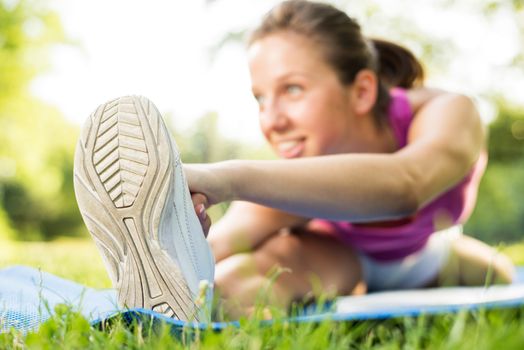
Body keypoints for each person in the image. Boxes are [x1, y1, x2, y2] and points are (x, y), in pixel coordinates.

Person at [74, 0, 515, 322]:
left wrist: (226, 177)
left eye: (293, 90)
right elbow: (229, 241)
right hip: (342, 253)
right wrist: (182, 229)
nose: (272, 120)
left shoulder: (446, 113)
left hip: (430, 252)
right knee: (247, 273)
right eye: (260, 99)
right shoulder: (296, 178)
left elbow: (406, 186)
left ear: (362, 91)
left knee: (502, 274)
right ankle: (174, 318)